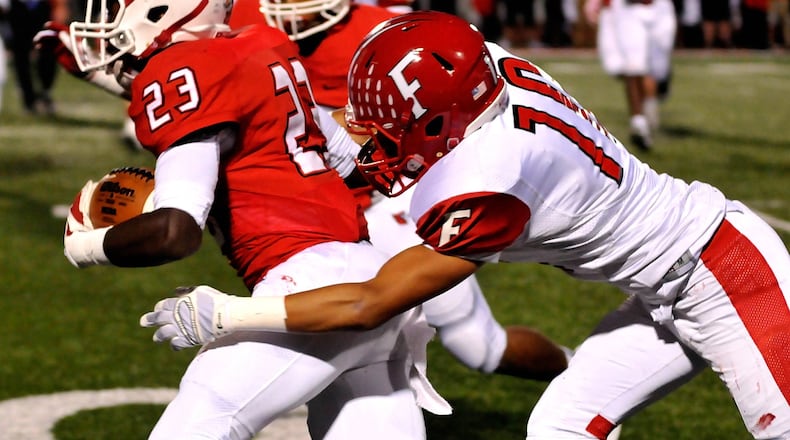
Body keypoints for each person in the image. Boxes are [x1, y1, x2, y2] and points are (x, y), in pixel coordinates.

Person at [142, 11, 790, 440]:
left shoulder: (491, 179)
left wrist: (230, 316)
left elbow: (371, 303)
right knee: (559, 427)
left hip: (729, 274)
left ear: (438, 123)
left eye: (394, 132)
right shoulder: (483, 67)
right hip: (659, 290)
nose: (377, 144)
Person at [62, 0, 450, 438]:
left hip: (308, 278)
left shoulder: (182, 70)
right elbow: (341, 156)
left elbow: (176, 232)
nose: (108, 17)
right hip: (365, 270)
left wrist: (85, 246)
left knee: (203, 420)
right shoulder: (260, 45)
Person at [254, 0, 570, 381]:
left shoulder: (382, 32)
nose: (287, 6)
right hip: (314, 209)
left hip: (385, 197)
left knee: (476, 345)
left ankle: (579, 372)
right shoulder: (246, 26)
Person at [584, 0, 677, 150]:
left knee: (658, 70)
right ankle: (638, 122)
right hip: (629, 9)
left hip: (659, 7)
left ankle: (656, 93)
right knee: (633, 66)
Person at [6, 0, 67, 114]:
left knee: (49, 51)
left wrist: (59, 6)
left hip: (41, 6)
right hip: (18, 7)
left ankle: (45, 91)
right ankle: (28, 99)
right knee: (21, 56)